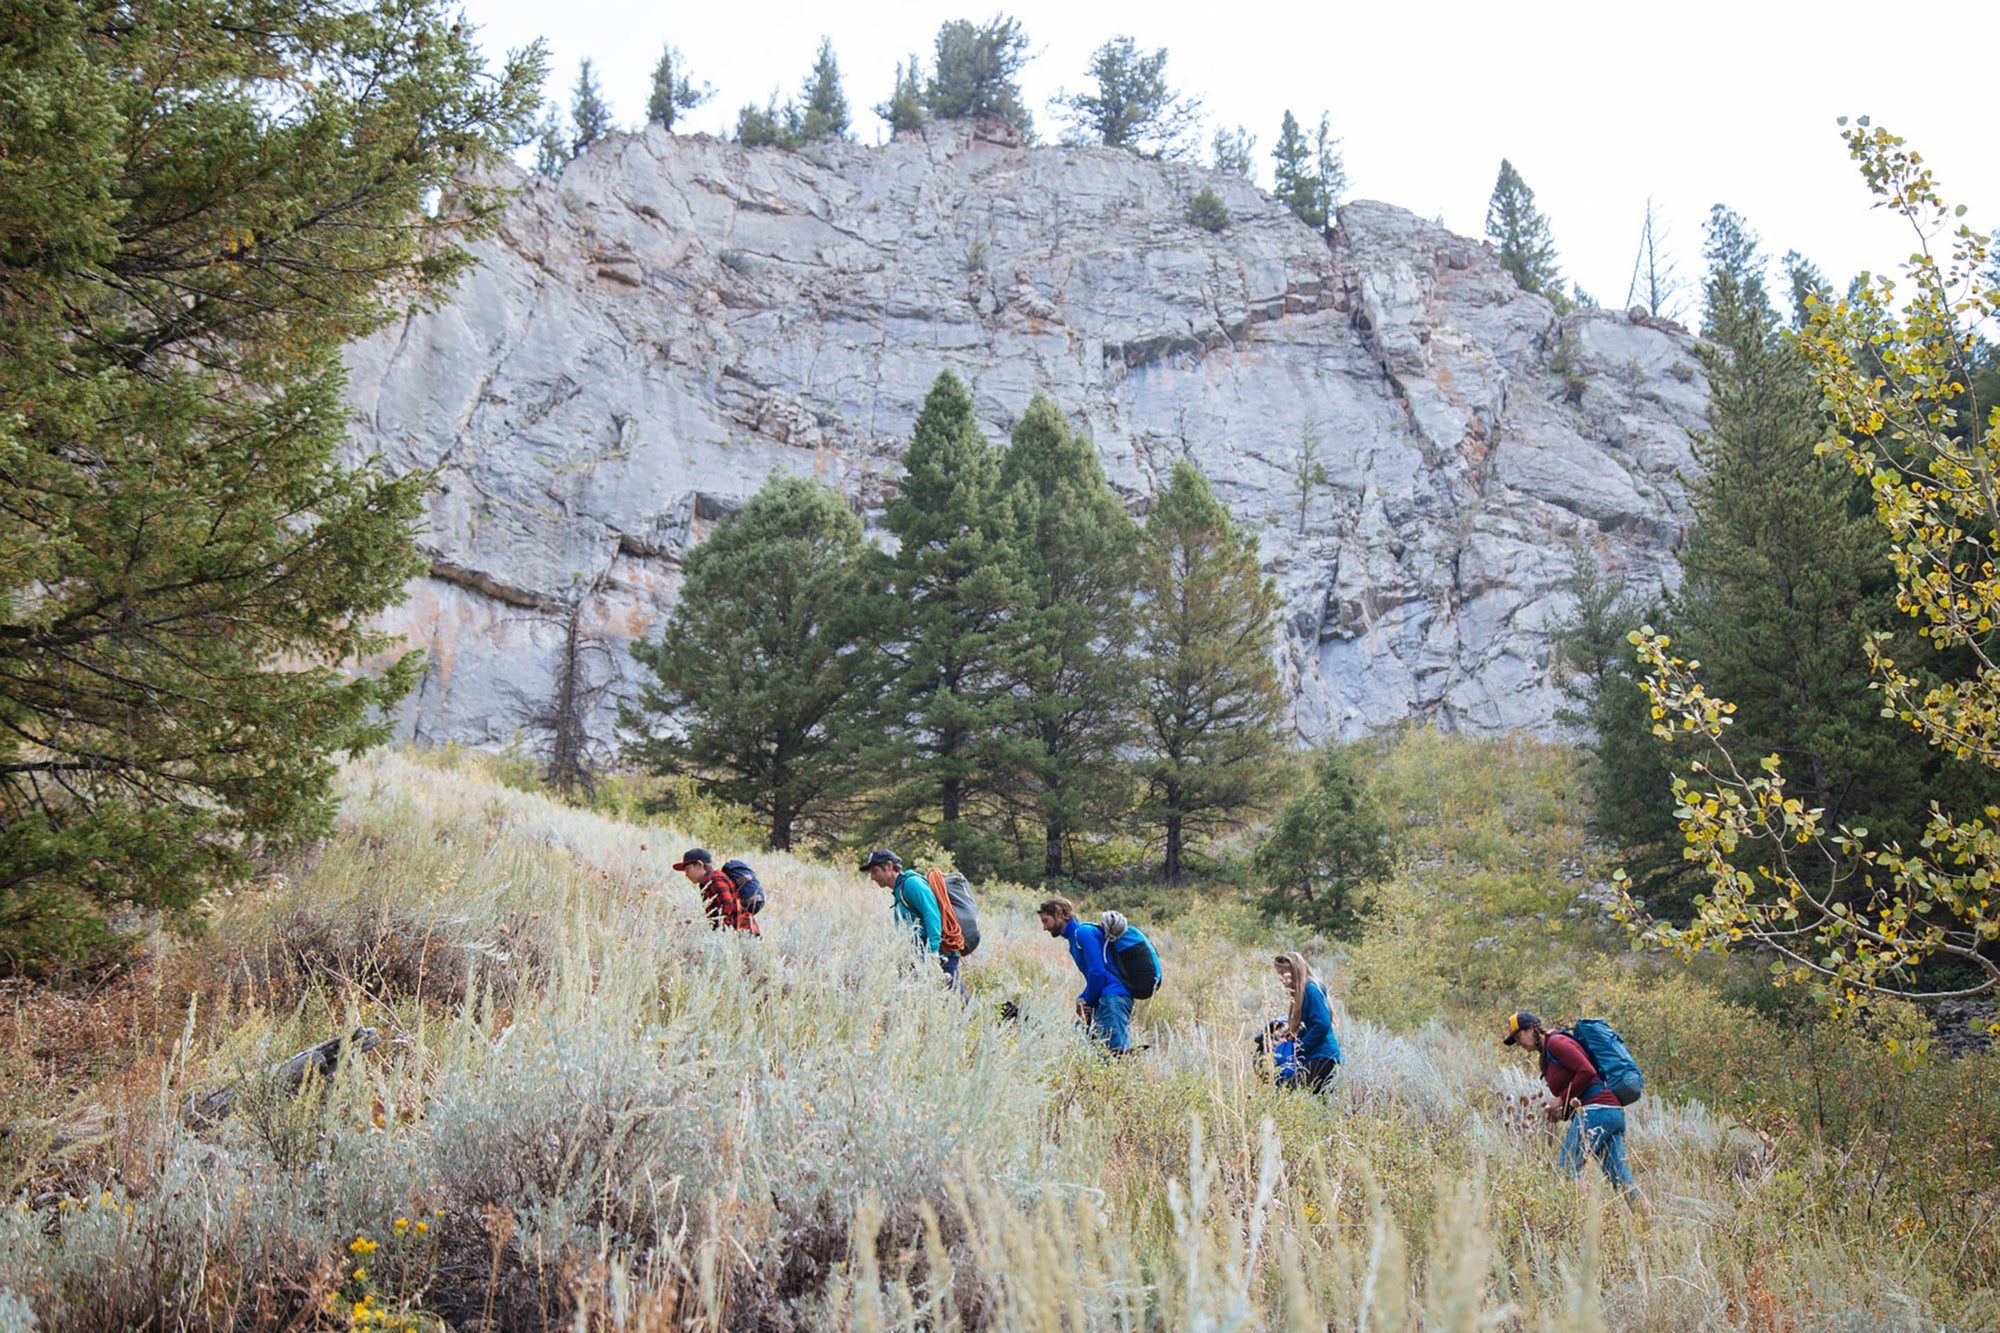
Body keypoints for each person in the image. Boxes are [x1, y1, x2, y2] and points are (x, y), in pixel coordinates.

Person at [1503, 1010, 1640, 1201]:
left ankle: (1583, 1221)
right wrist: (1562, 1112)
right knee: (1623, 1183)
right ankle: (1651, 1223)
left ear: (1532, 1028)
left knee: (1566, 1169)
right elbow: (1578, 1088)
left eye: (1519, 1037)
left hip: (1596, 1111)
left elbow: (1587, 1071)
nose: (1519, 1044)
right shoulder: (1547, 1053)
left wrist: (1560, 1099)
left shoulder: (1557, 1043)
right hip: (1609, 1112)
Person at [859, 849, 965, 996]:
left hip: (939, 956)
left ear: (889, 866)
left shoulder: (912, 884)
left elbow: (931, 914)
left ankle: (995, 1017)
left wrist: (933, 950)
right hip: (918, 959)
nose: (872, 877)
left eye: (875, 871)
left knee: (957, 1004)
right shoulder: (900, 890)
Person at [1037, 896, 1130, 1052]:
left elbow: (1098, 973)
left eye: (1046, 921)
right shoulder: (1075, 939)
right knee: (1080, 1048)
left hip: (1113, 998)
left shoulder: (1083, 933)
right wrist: (1083, 999)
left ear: (1059, 914)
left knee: (1115, 1058)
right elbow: (1095, 975)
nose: (1044, 928)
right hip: (1106, 998)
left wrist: (1087, 1000)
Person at [1272, 952, 1342, 1092]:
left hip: (1323, 1057)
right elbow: (1309, 1025)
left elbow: (1322, 1024)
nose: (1280, 978)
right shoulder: (1303, 991)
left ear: (1294, 971)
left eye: (1283, 973)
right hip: (1317, 1057)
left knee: (1286, 1092)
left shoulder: (1311, 989)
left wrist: (1300, 1048)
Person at [673, 848, 759, 936]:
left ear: (699, 865)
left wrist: (723, 930)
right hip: (736, 930)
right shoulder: (706, 882)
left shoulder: (715, 879)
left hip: (742, 929)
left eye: (688, 869)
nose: (686, 874)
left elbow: (727, 904)